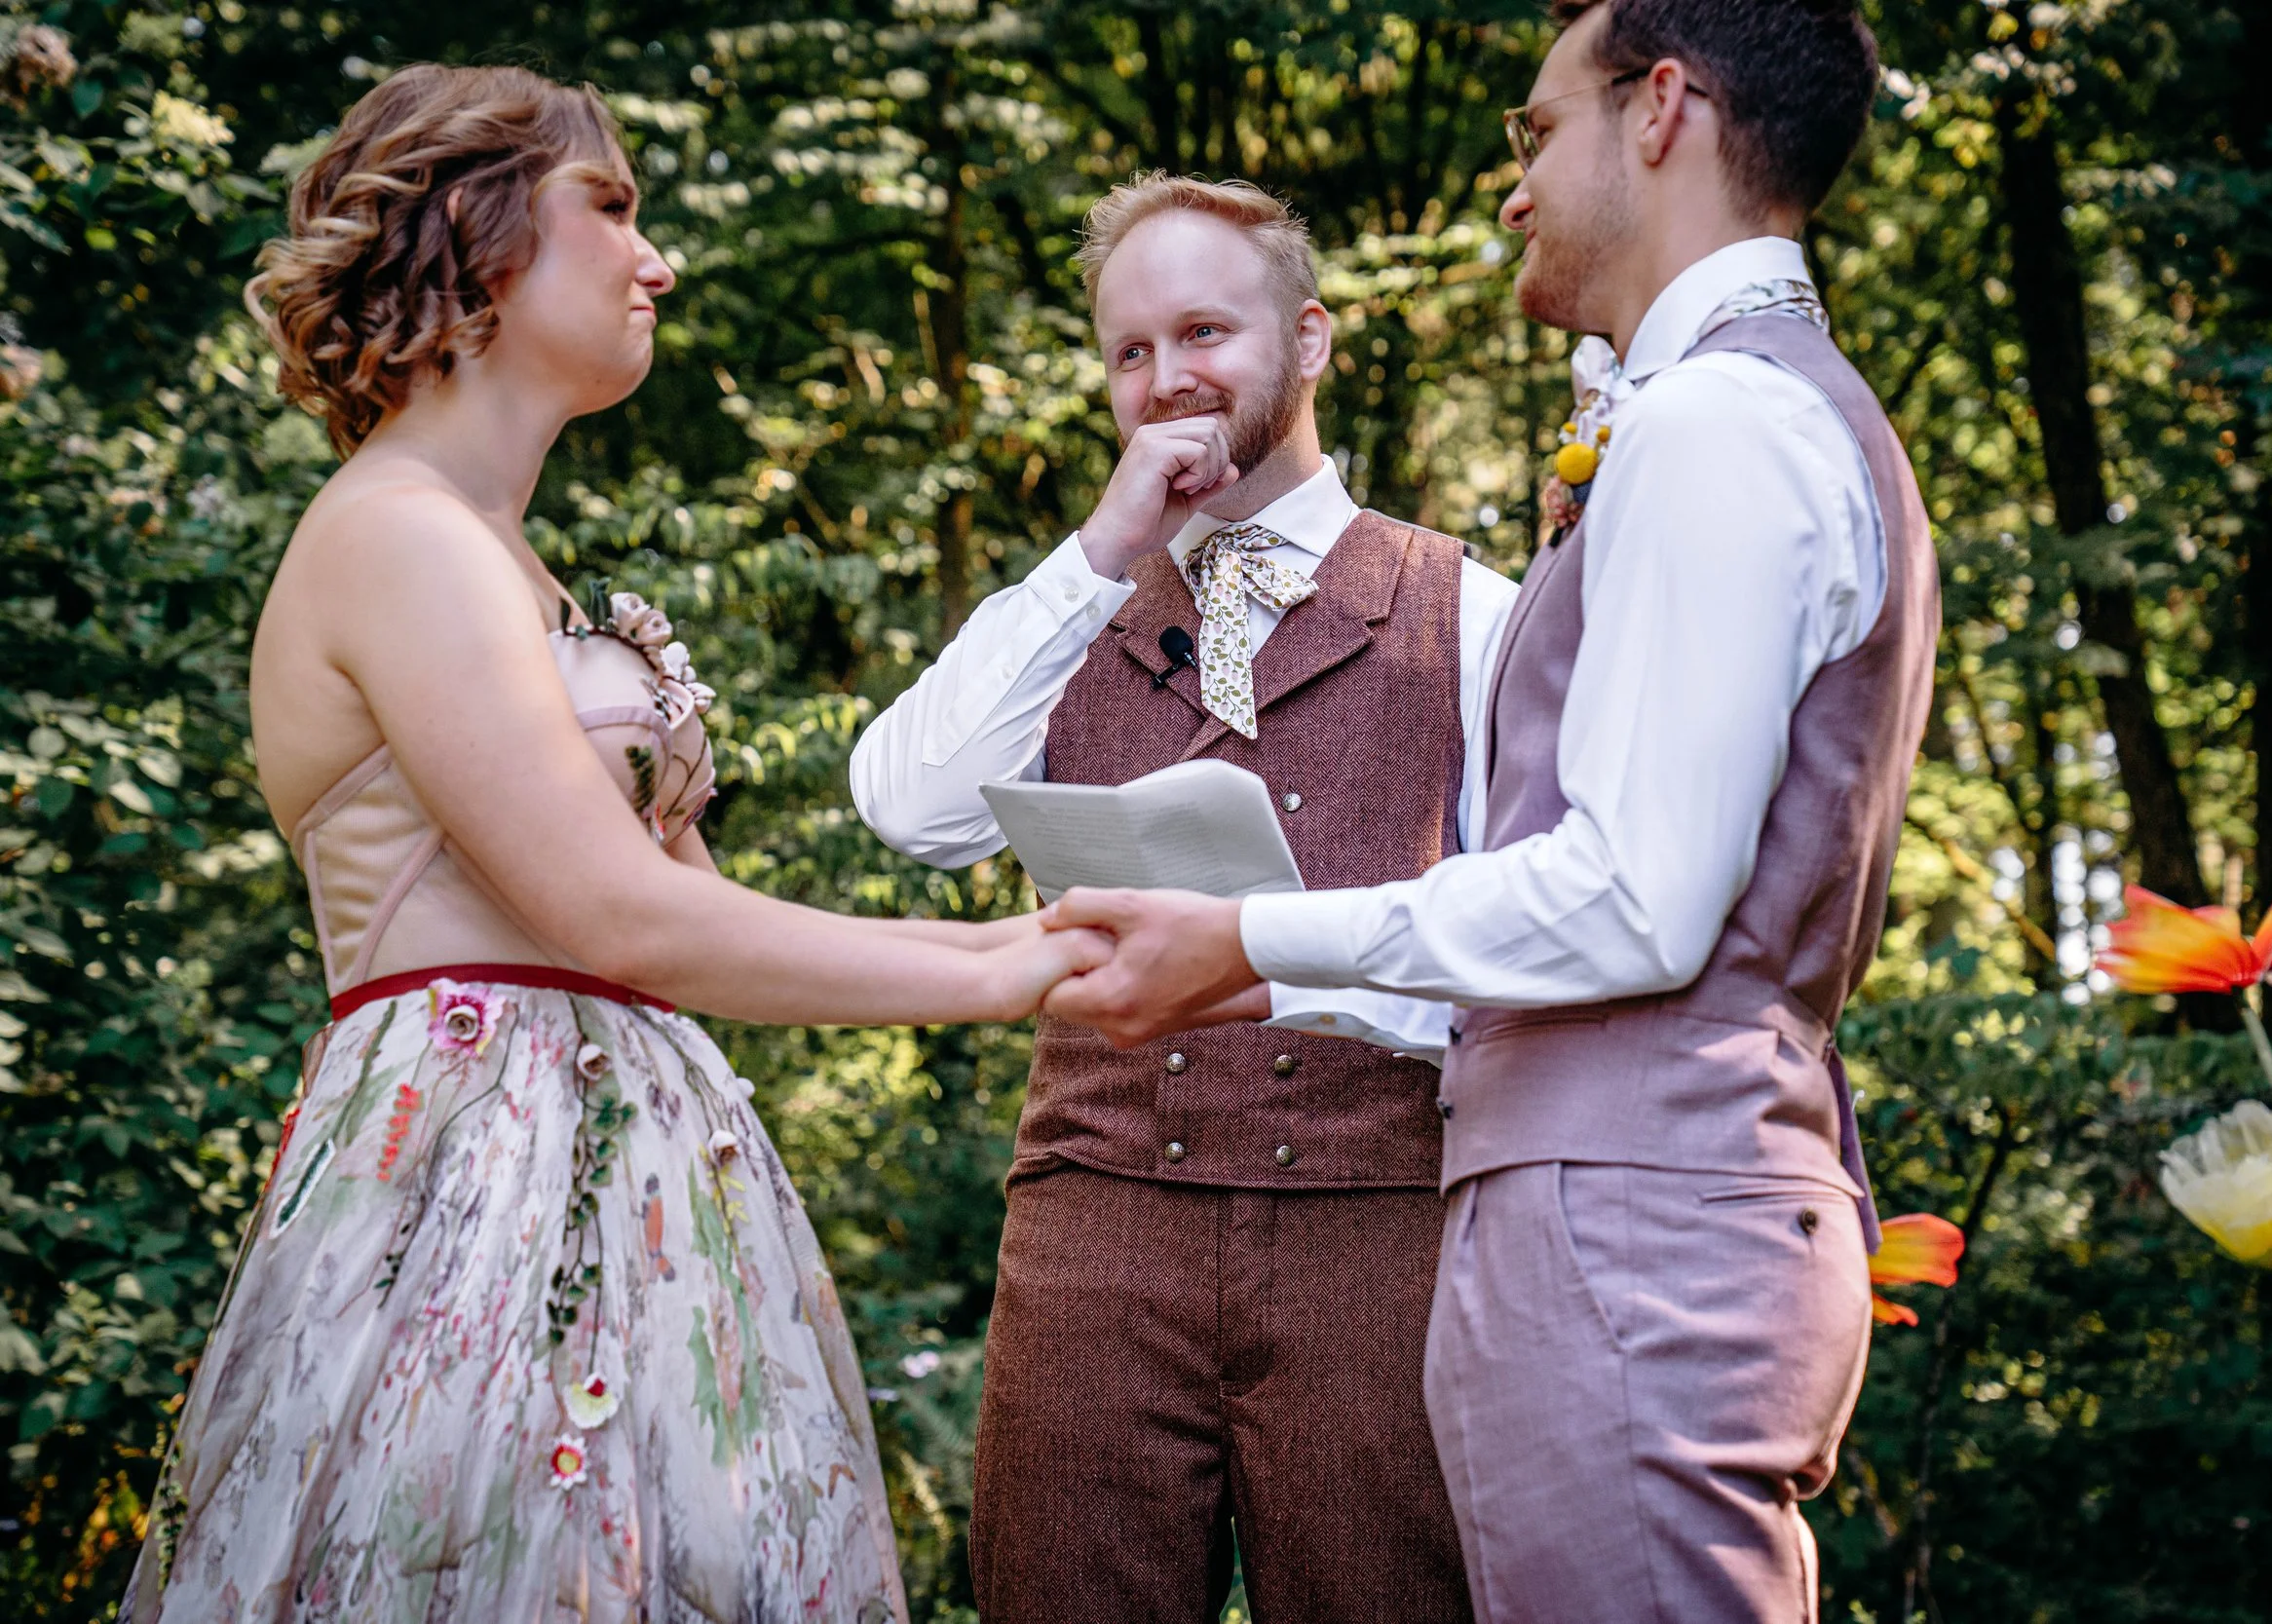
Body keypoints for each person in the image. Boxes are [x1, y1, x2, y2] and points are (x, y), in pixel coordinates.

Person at [122, 64, 1107, 1624]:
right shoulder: (398, 534)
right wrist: (1020, 978)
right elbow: (619, 913)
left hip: (629, 1163)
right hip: (473, 1193)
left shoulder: (500, 552)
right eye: (616, 207)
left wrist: (1025, 943)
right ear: (483, 234)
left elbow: (690, 912)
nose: (658, 261)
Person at [1040, 2, 1933, 1619]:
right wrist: (1262, 972)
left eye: (1537, 133)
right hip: (1620, 1212)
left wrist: (1248, 934)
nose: (1512, 187)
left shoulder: (1721, 425)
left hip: (1631, 1237)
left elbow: (1637, 900)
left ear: (1663, 110)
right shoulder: (1744, 410)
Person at [850, 174, 1514, 1623]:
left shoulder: (1480, 612)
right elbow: (911, 807)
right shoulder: (1075, 602)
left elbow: (1536, 934)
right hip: (1092, 1227)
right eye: (1130, 351)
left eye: (1205, 329)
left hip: (1374, 1224)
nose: (1167, 382)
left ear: (1312, 341)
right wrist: (1098, 552)